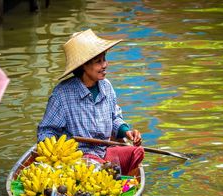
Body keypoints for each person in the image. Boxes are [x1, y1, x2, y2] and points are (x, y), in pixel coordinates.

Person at [37, 29, 144, 175]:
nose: (105, 65)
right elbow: (46, 131)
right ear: (84, 66)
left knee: (137, 152)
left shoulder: (107, 87)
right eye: (98, 62)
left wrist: (127, 132)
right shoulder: (61, 94)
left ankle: (117, 178)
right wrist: (57, 154)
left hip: (104, 151)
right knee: (100, 169)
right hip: (78, 160)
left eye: (104, 59)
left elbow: (114, 118)